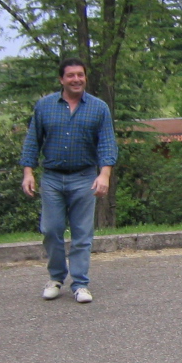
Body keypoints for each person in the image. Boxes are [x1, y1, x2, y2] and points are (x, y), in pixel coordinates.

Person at [19, 57, 117, 303]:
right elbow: (32, 141)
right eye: (71, 75)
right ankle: (55, 278)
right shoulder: (45, 106)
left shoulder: (98, 108)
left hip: (84, 177)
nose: (76, 79)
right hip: (52, 178)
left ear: (85, 78)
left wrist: (104, 174)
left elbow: (107, 143)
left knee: (82, 234)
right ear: (61, 79)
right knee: (51, 230)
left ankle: (80, 284)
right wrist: (28, 172)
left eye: (80, 75)